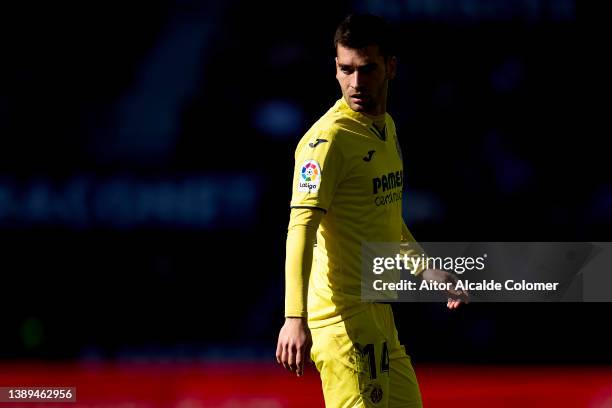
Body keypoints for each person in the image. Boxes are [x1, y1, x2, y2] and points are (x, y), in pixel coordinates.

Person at [276, 13, 466, 408]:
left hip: (379, 317)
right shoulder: (327, 142)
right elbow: (301, 227)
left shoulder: (385, 128)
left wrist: (425, 268)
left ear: (390, 68)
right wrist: (294, 317)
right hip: (343, 324)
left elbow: (383, 216)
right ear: (335, 69)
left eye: (367, 69)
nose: (356, 83)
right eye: (346, 70)